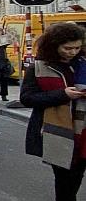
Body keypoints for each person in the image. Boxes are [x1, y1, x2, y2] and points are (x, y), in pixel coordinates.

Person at [20, 23, 86, 201]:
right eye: (67, 48)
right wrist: (62, 95)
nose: (72, 52)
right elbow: (27, 98)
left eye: (77, 48)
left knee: (76, 177)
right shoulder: (39, 67)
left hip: (83, 131)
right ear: (54, 45)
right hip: (58, 132)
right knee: (66, 182)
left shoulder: (83, 64)